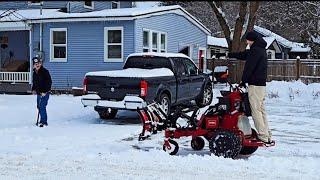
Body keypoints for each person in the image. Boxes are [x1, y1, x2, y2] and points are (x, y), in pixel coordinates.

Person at [228, 31, 274, 145]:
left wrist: (243, 81)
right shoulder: (260, 49)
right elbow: (244, 55)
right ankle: (267, 134)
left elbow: (249, 67)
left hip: (255, 85)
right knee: (261, 110)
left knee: (255, 111)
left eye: (248, 40)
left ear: (251, 40)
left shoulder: (255, 51)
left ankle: (262, 135)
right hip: (261, 85)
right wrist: (231, 54)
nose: (247, 42)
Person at [31, 57, 52, 127]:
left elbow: (49, 82)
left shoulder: (45, 72)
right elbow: (34, 82)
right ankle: (42, 120)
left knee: (42, 106)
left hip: (45, 93)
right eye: (36, 64)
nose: (37, 65)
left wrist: (45, 91)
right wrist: (33, 89)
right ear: (34, 65)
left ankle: (44, 121)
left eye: (39, 63)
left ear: (41, 64)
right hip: (38, 93)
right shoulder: (34, 73)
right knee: (39, 106)